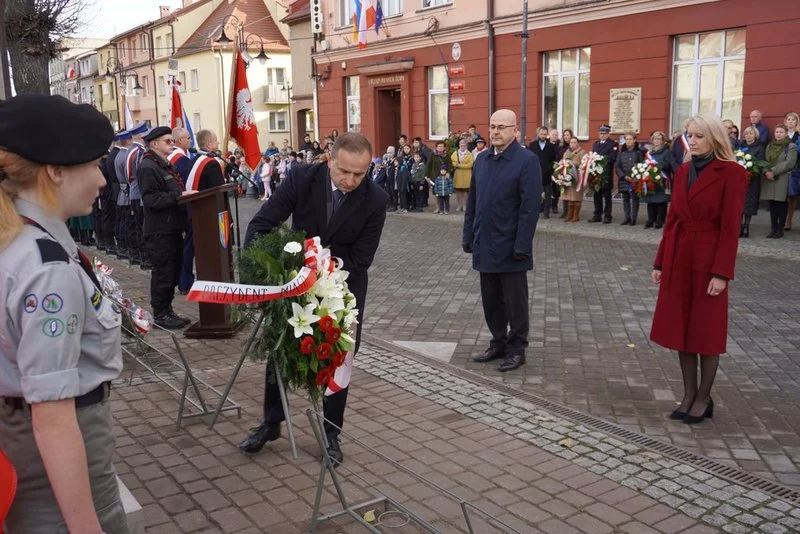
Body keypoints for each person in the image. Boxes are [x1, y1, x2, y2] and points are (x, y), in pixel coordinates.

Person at [0, 93, 129, 533]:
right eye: (93, 165)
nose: (102, 180)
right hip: (58, 450)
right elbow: (53, 419)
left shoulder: (18, 240)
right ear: (55, 171)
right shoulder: (46, 268)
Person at [240, 132, 389, 463]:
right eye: (344, 171)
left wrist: (321, 268)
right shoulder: (301, 178)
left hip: (344, 285)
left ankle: (331, 433)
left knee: (339, 356)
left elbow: (362, 258)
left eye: (360, 174)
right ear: (329, 159)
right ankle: (271, 422)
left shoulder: (376, 199)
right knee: (281, 346)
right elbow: (262, 225)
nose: (351, 181)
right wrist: (260, 277)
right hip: (295, 278)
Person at [650, 112, 747, 425]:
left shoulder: (732, 173)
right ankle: (689, 394)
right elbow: (672, 221)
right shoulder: (683, 171)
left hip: (708, 262)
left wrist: (722, 273)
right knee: (681, 329)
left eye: (699, 136)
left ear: (715, 138)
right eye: (689, 135)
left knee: (706, 331)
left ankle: (704, 398)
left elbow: (730, 228)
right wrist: (660, 262)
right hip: (679, 257)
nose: (692, 141)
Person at [463, 109, 541, 373]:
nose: (495, 131)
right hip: (485, 243)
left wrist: (522, 245)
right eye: (492, 126)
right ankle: (498, 341)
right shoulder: (482, 160)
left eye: (501, 127)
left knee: (515, 302)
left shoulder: (526, 161)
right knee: (491, 300)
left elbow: (530, 208)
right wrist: (468, 235)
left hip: (511, 246)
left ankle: (517, 349)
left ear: (514, 131)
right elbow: (473, 202)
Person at [138, 126, 193, 329]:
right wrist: (179, 196)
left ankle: (167, 310)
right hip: (160, 230)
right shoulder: (148, 166)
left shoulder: (163, 165)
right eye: (168, 141)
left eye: (172, 141)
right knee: (164, 272)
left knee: (172, 270)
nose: (172, 144)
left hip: (172, 228)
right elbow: (151, 199)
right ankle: (160, 314)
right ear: (154, 144)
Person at [761, 124, 798, 239]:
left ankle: (780, 229)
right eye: (777, 132)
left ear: (786, 133)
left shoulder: (791, 146)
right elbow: (765, 161)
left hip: (782, 178)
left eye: (781, 132)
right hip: (769, 178)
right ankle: (773, 228)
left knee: (781, 204)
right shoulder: (769, 146)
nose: (778, 134)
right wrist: (766, 171)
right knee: (772, 204)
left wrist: (773, 171)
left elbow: (790, 163)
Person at [125, 124, 148, 268]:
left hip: (134, 192)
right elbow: (131, 175)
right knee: (141, 227)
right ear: (141, 135)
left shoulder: (131, 150)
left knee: (138, 226)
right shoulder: (138, 152)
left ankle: (141, 257)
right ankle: (144, 257)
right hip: (138, 193)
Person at [642, 131, 674, 229]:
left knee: (661, 201)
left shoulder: (667, 151)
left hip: (662, 179)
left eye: (659, 139)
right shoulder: (649, 152)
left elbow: (669, 164)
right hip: (650, 179)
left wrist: (657, 165)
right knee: (651, 200)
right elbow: (644, 162)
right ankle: (650, 220)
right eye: (655, 139)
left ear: (663, 140)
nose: (656, 141)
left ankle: (660, 220)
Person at [589, 124, 618, 224]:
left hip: (606, 174)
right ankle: (597, 215)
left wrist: (600, 160)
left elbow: (613, 158)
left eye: (604, 133)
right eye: (601, 133)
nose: (602, 135)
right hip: (596, 174)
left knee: (607, 196)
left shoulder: (613, 144)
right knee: (597, 195)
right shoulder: (596, 144)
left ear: (608, 134)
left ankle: (607, 216)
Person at [739, 126, 765, 238]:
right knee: (740, 203)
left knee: (749, 204)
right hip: (740, 179)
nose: (748, 135)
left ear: (755, 135)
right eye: (747, 133)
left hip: (752, 179)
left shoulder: (759, 147)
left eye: (751, 133)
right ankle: (739, 227)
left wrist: (751, 171)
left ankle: (746, 226)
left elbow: (760, 162)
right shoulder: (740, 146)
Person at [528, 126, 558, 219]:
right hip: (535, 174)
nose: (543, 136)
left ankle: (546, 212)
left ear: (547, 135)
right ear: (538, 134)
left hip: (547, 174)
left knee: (548, 194)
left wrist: (550, 170)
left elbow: (554, 160)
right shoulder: (532, 145)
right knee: (535, 194)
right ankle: (535, 211)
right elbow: (529, 159)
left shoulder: (551, 146)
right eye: (541, 134)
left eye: (545, 134)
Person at [615, 133, 644, 226]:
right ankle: (627, 217)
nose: (628, 141)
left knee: (635, 199)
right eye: (627, 139)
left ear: (634, 140)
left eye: (630, 139)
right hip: (624, 179)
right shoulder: (621, 152)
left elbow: (642, 165)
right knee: (625, 199)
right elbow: (617, 166)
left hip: (635, 180)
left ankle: (633, 218)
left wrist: (636, 176)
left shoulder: (639, 152)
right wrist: (623, 176)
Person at [561, 137, 587, 222]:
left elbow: (584, 164)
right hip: (569, 177)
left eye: (574, 142)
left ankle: (576, 215)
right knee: (570, 198)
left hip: (578, 177)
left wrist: (574, 163)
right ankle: (569, 215)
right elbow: (563, 161)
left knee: (577, 197)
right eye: (571, 142)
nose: (572, 144)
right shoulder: (567, 152)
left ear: (578, 143)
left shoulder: (582, 152)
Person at [783, 111, 800, 231]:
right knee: (782, 195)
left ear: (797, 122)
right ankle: (782, 219)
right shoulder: (781, 134)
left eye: (793, 120)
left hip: (795, 168)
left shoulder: (798, 136)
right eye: (788, 119)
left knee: (792, 195)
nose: (790, 122)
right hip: (782, 167)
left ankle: (789, 219)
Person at [451, 138, 474, 212]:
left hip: (466, 175)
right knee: (458, 191)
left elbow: (470, 164)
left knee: (465, 191)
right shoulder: (455, 153)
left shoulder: (470, 154)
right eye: (461, 145)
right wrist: (456, 165)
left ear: (466, 146)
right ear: (459, 145)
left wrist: (460, 166)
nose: (462, 147)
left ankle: (465, 205)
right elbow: (452, 162)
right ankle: (459, 205)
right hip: (457, 174)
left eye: (464, 145)